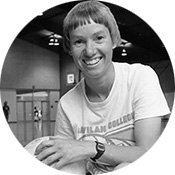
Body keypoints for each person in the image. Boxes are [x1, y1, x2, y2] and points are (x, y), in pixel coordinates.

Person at [35, 1, 170, 174]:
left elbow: (147, 153)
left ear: (114, 40)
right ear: (70, 49)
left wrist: (90, 148)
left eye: (99, 38)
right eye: (79, 42)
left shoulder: (140, 77)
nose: (90, 51)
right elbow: (66, 159)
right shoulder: (66, 104)